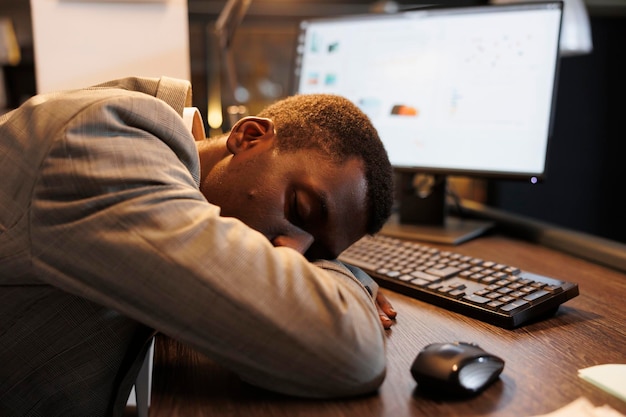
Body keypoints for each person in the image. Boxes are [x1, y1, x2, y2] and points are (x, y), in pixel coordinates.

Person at [0, 76, 396, 417]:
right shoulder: (104, 141)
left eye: (314, 254)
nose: (290, 250)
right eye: (300, 209)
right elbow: (349, 353)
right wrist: (345, 277)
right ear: (250, 136)